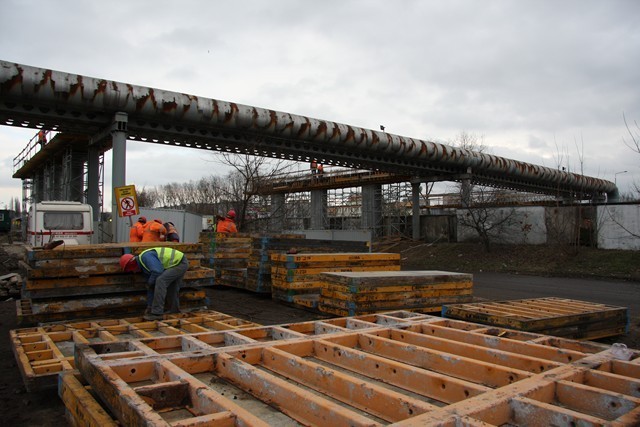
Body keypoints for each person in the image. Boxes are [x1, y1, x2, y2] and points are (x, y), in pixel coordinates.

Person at [119, 247, 188, 320]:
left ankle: (157, 313)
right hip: (177, 263)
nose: (133, 272)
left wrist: (150, 283)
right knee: (172, 287)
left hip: (179, 263)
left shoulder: (145, 257)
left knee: (161, 280)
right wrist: (149, 306)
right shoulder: (145, 268)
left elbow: (157, 271)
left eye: (131, 270)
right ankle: (174, 310)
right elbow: (151, 288)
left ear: (132, 264)